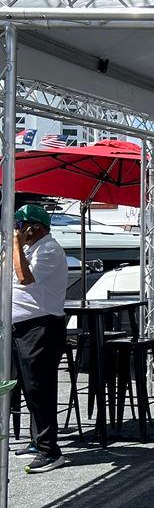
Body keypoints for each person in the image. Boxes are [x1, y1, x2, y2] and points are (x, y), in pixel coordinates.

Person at [10, 203, 69, 474]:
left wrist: (15, 244)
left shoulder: (48, 249)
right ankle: (37, 441)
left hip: (41, 327)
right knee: (28, 388)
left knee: (40, 388)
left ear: (35, 227)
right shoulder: (29, 250)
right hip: (23, 327)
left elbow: (25, 278)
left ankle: (50, 451)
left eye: (20, 225)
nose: (17, 230)